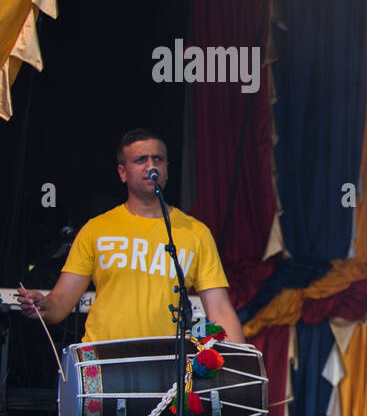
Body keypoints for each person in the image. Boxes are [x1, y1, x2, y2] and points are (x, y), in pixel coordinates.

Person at [17, 128, 245, 344]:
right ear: (122, 172)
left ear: (166, 168)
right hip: (104, 359)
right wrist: (44, 305)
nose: (151, 165)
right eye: (140, 160)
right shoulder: (96, 229)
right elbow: (62, 301)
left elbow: (220, 308)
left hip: (164, 364)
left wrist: (244, 367)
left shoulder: (196, 233)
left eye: (158, 159)